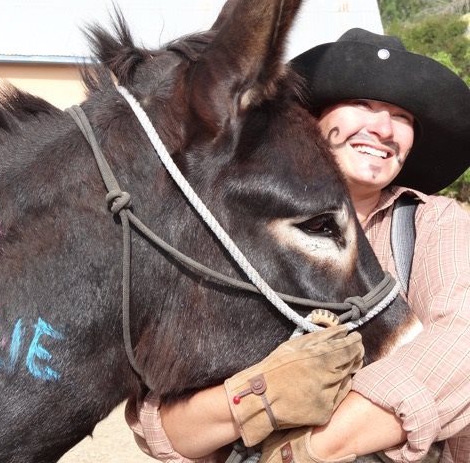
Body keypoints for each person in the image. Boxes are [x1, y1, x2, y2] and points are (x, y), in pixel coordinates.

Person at [126, 28, 470, 463]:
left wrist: (305, 451)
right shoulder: (229, 233)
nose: (383, 128)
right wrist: (260, 395)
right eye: (363, 104)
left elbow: (463, 341)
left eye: (402, 117)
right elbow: (161, 427)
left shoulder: (433, 223)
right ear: (311, 122)